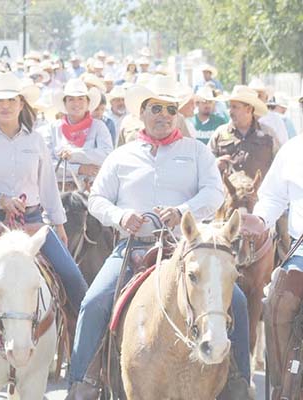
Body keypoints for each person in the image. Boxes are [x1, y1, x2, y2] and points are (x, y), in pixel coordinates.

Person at [66, 74, 252, 399]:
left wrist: (184, 210)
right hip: (132, 247)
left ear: (177, 113)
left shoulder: (196, 151)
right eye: (156, 109)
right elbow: (97, 199)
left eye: (170, 109)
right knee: (93, 302)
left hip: (187, 249)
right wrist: (121, 216)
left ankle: (239, 382)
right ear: (143, 112)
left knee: (236, 299)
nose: (164, 115)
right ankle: (83, 382)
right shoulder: (121, 156)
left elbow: (214, 192)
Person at [0, 71, 88, 331]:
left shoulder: (35, 140)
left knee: (73, 278)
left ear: (22, 104)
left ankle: (78, 350)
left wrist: (58, 225)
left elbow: (47, 186)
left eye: (11, 100)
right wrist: (1, 200)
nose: (5, 106)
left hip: (32, 221)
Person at [246, 134, 303, 399]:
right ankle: (284, 388)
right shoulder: (293, 149)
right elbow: (272, 197)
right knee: (276, 302)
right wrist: (260, 218)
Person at [40, 78, 113, 189]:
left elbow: (107, 155)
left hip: (92, 188)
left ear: (88, 102)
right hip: (59, 190)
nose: (76, 103)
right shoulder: (52, 128)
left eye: (81, 99)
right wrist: (80, 169)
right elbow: (46, 164)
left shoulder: (98, 126)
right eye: (71, 99)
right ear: (65, 103)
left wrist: (73, 154)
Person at [209, 85, 277, 179]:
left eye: (235, 107)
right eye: (230, 107)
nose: (230, 112)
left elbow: (280, 165)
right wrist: (215, 164)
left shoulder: (268, 134)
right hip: (227, 193)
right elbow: (205, 163)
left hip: (258, 193)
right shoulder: (220, 133)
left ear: (248, 109)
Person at [248, 78, 289, 147]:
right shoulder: (242, 117)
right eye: (252, 95)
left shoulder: (276, 120)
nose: (256, 99)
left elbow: (284, 145)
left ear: (266, 98)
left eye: (259, 96)